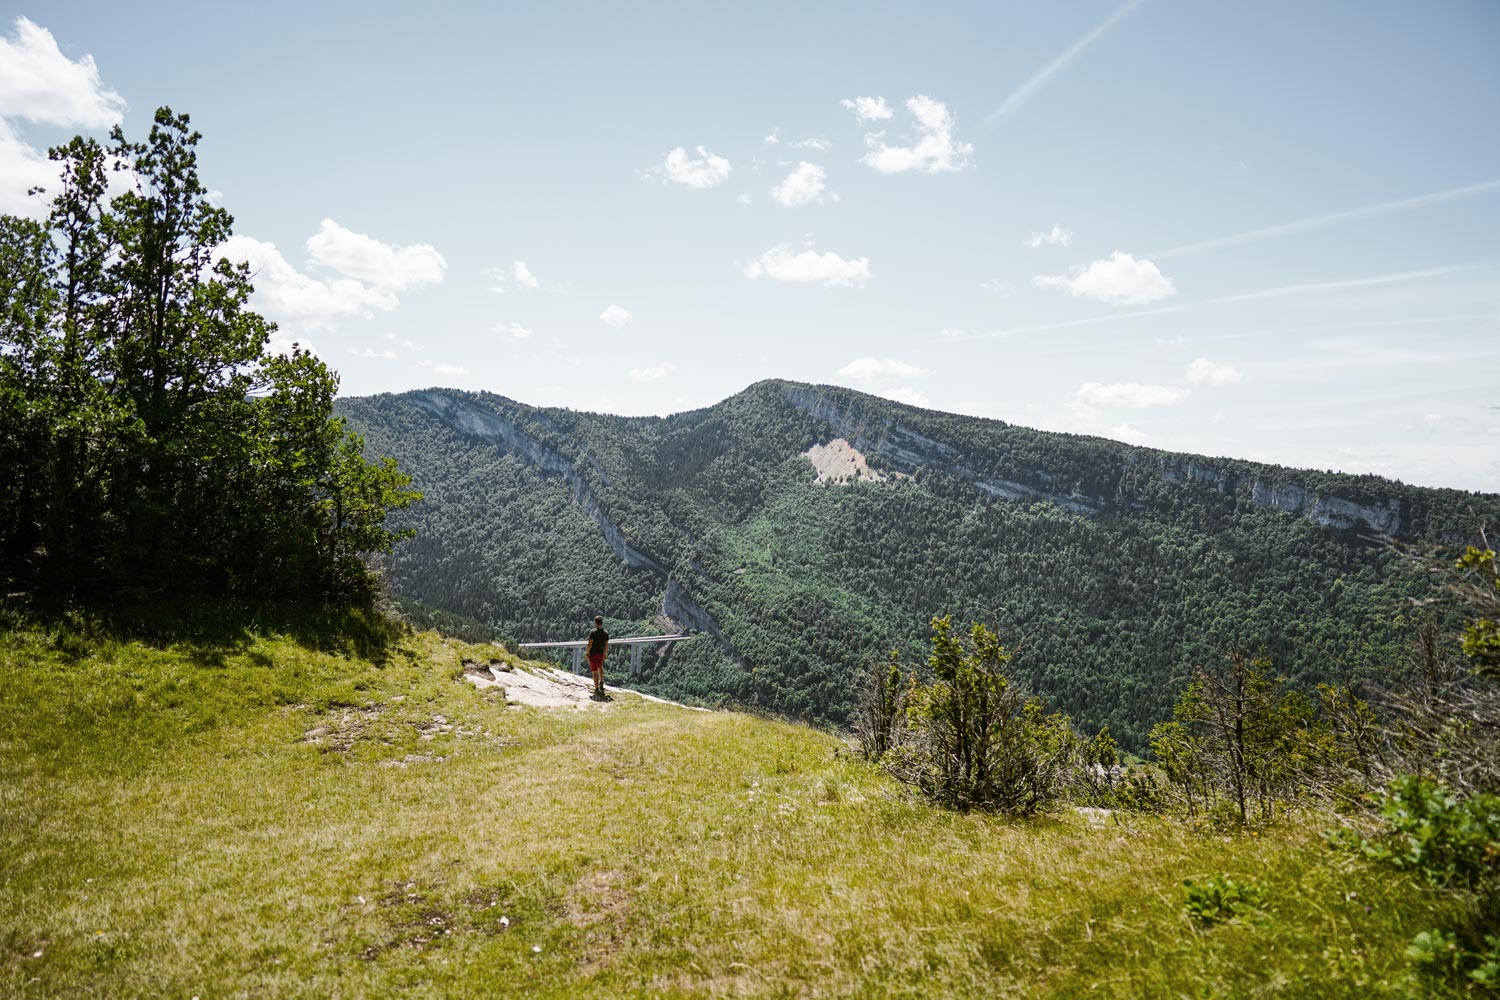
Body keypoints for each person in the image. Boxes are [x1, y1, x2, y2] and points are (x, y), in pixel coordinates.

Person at [586, 615, 609, 698]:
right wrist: (605, 653)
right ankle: (601, 683)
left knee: (594, 671)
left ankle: (596, 689)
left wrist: (587, 652)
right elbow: (606, 645)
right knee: (600, 667)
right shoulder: (605, 633)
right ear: (602, 622)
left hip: (593, 654)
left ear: (595, 623)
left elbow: (590, 643)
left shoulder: (593, 632)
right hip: (600, 653)